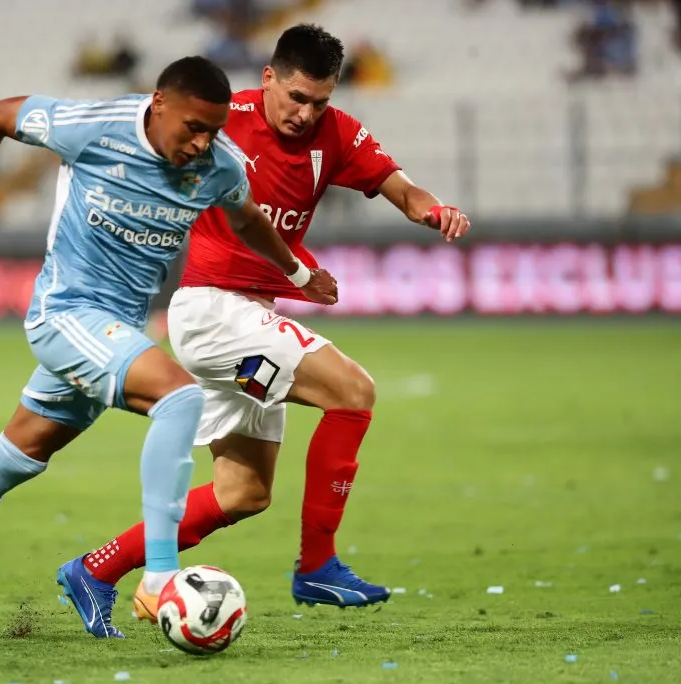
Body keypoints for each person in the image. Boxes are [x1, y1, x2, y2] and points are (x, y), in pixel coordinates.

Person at [0, 55, 338, 638]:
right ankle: (161, 577)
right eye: (192, 127)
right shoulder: (96, 125)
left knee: (22, 452)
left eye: (213, 130)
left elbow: (247, 219)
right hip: (65, 313)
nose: (201, 142)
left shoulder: (219, 165)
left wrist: (294, 272)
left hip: (118, 331)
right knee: (180, 399)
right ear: (159, 104)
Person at [58, 24, 472, 637]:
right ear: (269, 78)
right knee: (352, 392)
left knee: (243, 492)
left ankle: (95, 569)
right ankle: (318, 565)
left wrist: (433, 210)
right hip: (213, 314)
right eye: (297, 97)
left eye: (320, 102)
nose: (306, 114)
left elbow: (399, 187)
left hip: (250, 328)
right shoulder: (224, 119)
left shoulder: (338, 132)